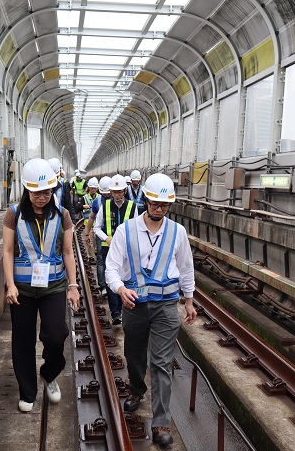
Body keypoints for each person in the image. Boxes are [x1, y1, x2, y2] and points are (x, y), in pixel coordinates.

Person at [105, 173, 196, 447]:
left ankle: (161, 423)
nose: (159, 209)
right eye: (155, 203)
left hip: (167, 307)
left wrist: (189, 301)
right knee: (134, 353)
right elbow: (111, 268)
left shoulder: (178, 233)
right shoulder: (125, 231)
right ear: (145, 199)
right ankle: (136, 388)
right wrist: (120, 289)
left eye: (165, 205)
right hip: (135, 305)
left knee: (160, 363)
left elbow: (185, 268)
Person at [2, 158, 81, 413]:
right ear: (27, 189)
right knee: (23, 341)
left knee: (56, 335)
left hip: (54, 287)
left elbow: (68, 253)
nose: (42, 197)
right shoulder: (13, 214)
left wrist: (73, 285)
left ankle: (50, 374)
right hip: (23, 290)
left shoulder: (63, 215)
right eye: (37, 192)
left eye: (47, 191)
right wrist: (10, 285)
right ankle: (27, 392)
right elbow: (7, 250)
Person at [93, 174, 138, 325]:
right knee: (111, 278)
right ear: (110, 192)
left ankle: (125, 306)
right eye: (114, 192)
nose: (117, 195)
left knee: (125, 278)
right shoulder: (104, 206)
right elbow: (97, 227)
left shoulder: (132, 206)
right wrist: (106, 238)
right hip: (108, 249)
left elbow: (136, 229)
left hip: (127, 250)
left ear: (125, 191)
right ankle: (115, 312)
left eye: (119, 191)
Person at [85, 176, 113, 292]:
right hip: (102, 234)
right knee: (101, 259)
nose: (107, 195)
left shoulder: (99, 200)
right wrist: (87, 233)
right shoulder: (97, 201)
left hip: (114, 235)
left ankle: (109, 284)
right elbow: (91, 217)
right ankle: (103, 286)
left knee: (110, 259)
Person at [82, 177, 99, 264]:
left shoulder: (100, 198)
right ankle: (91, 257)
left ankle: (96, 253)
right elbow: (76, 207)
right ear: (89, 188)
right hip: (88, 224)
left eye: (94, 188)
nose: (93, 190)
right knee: (89, 241)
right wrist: (82, 206)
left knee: (97, 241)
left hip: (98, 224)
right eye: (92, 188)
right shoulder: (84, 198)